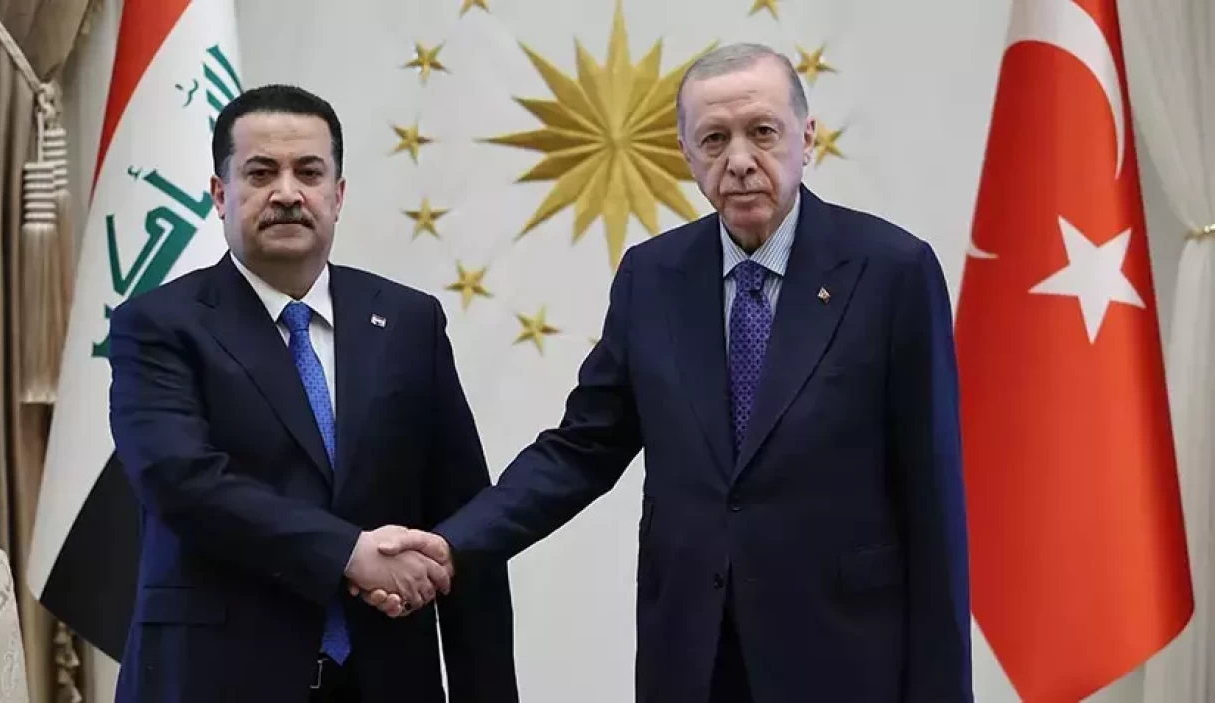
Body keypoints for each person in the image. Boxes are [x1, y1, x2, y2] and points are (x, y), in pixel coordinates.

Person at [368, 43, 972, 702]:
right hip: (692, 656)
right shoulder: (652, 277)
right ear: (686, 154)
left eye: (762, 132)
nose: (739, 160)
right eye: (714, 139)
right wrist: (452, 544)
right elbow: (582, 448)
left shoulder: (892, 271)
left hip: (843, 660)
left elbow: (932, 498)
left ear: (807, 137)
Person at [107, 84, 518, 703]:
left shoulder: (409, 321)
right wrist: (348, 553)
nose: (287, 193)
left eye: (308, 172)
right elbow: (181, 481)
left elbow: (461, 519)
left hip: (387, 681)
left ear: (338, 194)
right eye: (260, 173)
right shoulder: (158, 325)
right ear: (220, 194)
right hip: (215, 680)